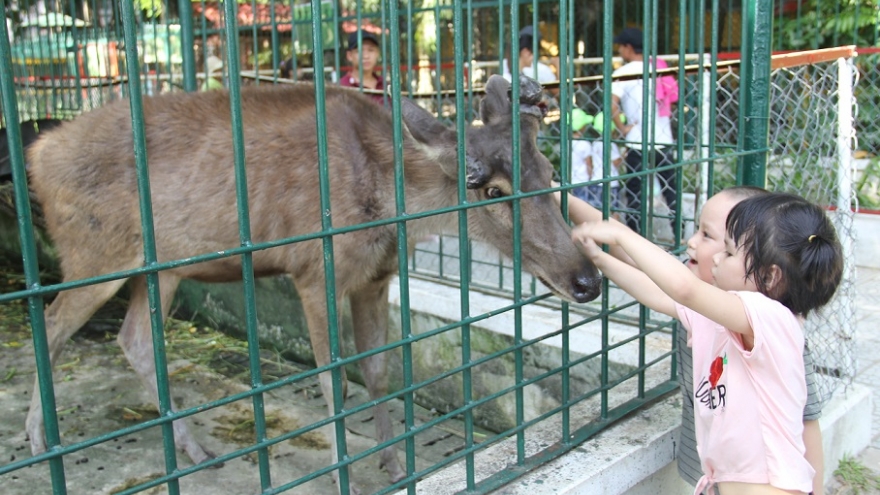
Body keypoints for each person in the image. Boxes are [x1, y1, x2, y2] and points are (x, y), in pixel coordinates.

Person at [572, 192, 844, 495]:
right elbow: (660, 293)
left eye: (728, 253)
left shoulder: (773, 319)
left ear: (769, 277)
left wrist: (621, 234)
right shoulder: (721, 317)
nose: (716, 257)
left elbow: (684, 288)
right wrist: (600, 259)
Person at [610, 27, 677, 233]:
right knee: (671, 190)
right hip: (663, 140)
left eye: (621, 47)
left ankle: (636, 235)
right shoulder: (659, 69)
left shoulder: (623, 72)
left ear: (629, 48)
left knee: (635, 193)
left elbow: (611, 104)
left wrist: (622, 128)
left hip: (638, 141)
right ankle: (678, 233)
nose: (620, 51)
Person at [583, 111, 624, 217]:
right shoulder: (611, 145)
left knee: (596, 212)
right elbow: (616, 162)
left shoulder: (596, 142)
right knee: (613, 212)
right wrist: (624, 155)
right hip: (611, 183)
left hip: (596, 181)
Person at [339, 30, 385, 104]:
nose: (366, 56)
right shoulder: (341, 87)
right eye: (359, 50)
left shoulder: (385, 85)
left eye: (371, 50)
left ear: (377, 53)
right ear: (349, 55)